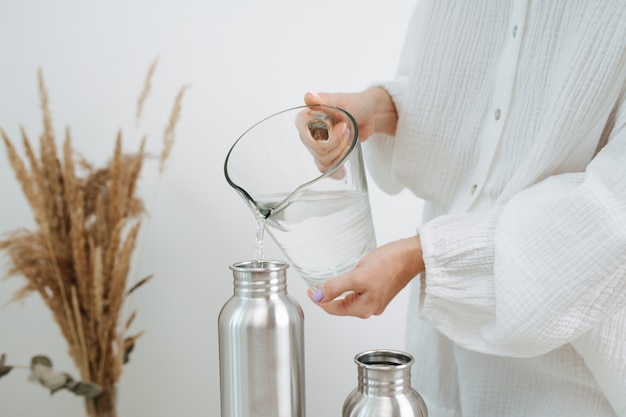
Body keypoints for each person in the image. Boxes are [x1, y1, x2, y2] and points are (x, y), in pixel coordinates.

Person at [301, 1, 626, 416]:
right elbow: (461, 96)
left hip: (576, 374)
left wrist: (424, 256)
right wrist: (376, 111)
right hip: (441, 360)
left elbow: (612, 212)